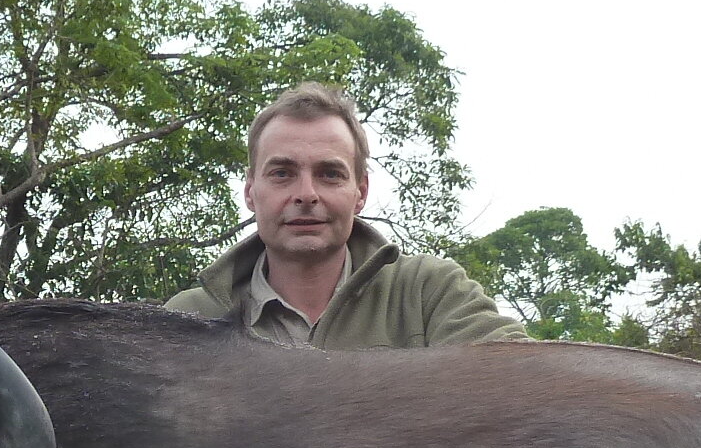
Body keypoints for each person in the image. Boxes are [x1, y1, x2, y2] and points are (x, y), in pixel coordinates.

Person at [164, 83, 525, 348]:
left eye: (330, 174)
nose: (306, 194)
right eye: (282, 173)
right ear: (250, 192)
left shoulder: (428, 293)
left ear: (361, 193)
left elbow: (519, 378)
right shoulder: (187, 317)